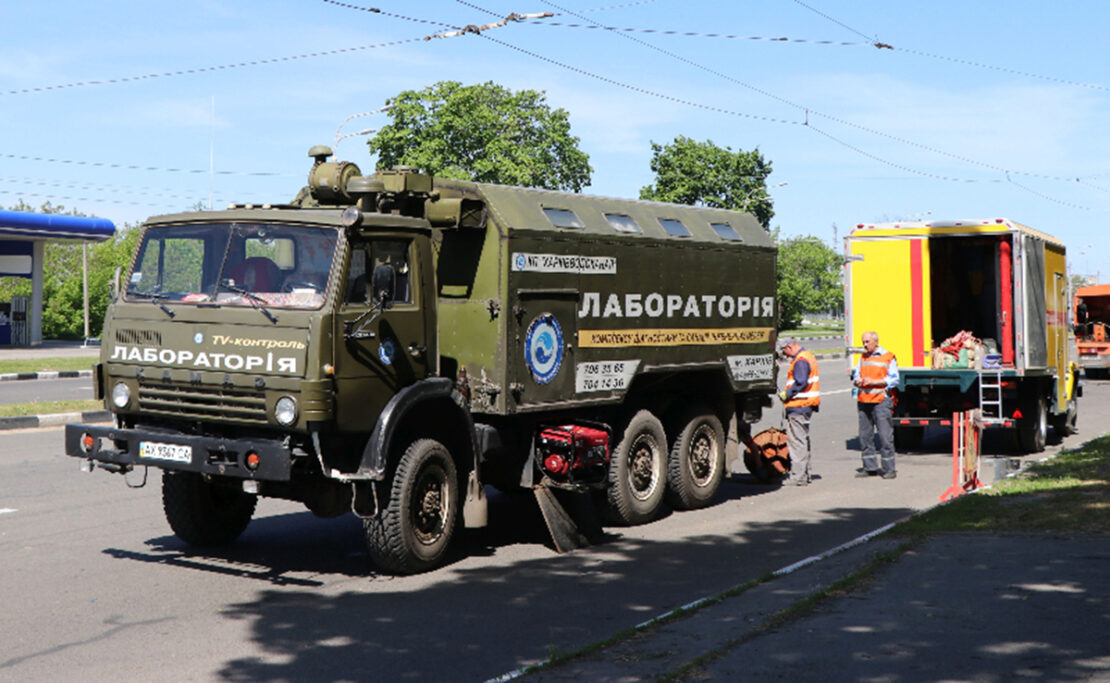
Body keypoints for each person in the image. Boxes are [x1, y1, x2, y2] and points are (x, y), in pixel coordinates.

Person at [852, 331, 899, 479]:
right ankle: (870, 467)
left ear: (876, 341)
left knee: (885, 437)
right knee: (865, 436)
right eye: (863, 342)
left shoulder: (888, 357)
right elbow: (856, 374)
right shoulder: (863, 357)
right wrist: (857, 380)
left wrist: (874, 382)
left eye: (867, 342)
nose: (865, 345)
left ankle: (889, 469)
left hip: (880, 400)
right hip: (864, 400)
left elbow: (894, 380)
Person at [776, 336, 820, 486]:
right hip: (805, 405)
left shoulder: (800, 360)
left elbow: (801, 382)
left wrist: (787, 394)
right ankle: (805, 474)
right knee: (803, 440)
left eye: (784, 352)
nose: (786, 356)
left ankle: (798, 476)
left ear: (789, 347)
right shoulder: (807, 356)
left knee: (796, 441)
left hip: (799, 406)